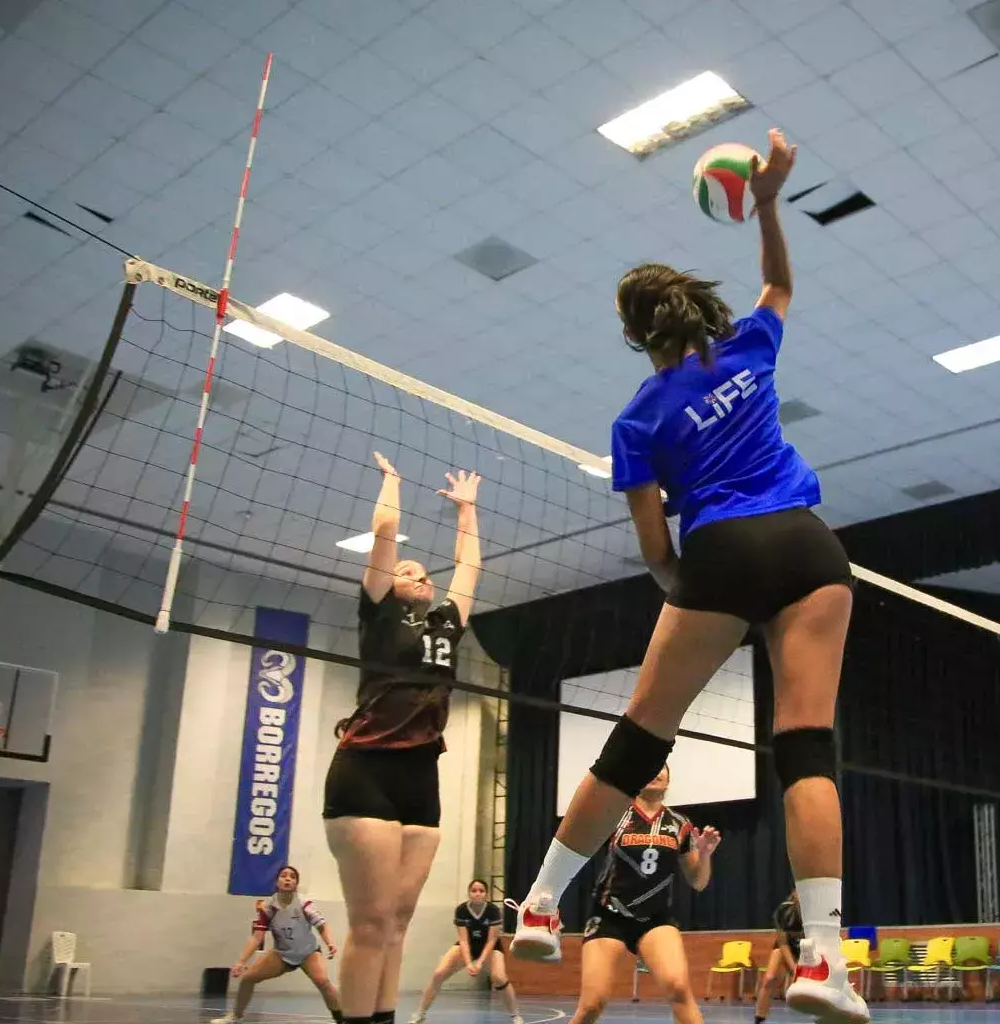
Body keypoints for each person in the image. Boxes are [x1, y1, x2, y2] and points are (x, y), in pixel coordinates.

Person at [510, 127, 869, 1024]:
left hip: (722, 550)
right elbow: (781, 285)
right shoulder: (748, 346)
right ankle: (824, 960)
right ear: (694, 312)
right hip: (810, 545)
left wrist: (686, 590)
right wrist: (774, 201)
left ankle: (544, 905)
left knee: (640, 740)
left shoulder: (638, 418)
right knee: (806, 748)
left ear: (636, 336)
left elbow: (653, 548)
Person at [324, 458, 482, 1024]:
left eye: (422, 570)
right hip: (365, 769)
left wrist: (466, 509)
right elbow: (387, 534)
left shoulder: (446, 623)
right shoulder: (378, 615)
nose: (417, 572)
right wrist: (394, 481)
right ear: (388, 584)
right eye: (405, 570)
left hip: (422, 776)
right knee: (369, 923)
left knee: (398, 922)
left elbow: (470, 566)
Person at [565, 765, 720, 1024]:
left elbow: (698, 882)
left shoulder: (680, 824)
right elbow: (576, 848)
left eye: (663, 769)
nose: (656, 772)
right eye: (651, 766)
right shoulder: (615, 815)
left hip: (655, 920)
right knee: (593, 1004)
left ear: (669, 779)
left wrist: (704, 855)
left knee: (679, 988)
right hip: (609, 916)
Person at [213, 866, 341, 1024]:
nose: (288, 879)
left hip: (308, 952)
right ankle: (234, 1017)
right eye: (284, 876)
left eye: (292, 877)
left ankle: (341, 1018)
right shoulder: (268, 908)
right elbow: (256, 938)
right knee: (247, 978)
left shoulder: (304, 903)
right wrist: (241, 962)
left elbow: (322, 925)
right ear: (276, 882)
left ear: (296, 884)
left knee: (322, 981)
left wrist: (330, 943)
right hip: (282, 954)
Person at [409, 880, 521, 1024]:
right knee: (438, 974)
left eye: (481, 891)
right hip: (467, 945)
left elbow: (491, 940)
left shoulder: (493, 911)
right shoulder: (462, 910)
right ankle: (420, 1014)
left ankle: (515, 1015)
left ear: (486, 894)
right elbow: (463, 940)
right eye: (474, 890)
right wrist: (468, 963)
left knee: (499, 977)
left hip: (490, 947)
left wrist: (479, 962)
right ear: (469, 893)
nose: (477, 894)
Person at [754, 890, 802, 1024]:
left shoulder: (815, 914)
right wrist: (794, 968)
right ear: (794, 897)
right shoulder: (783, 911)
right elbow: (783, 944)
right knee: (769, 978)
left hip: (808, 949)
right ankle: (759, 1018)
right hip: (787, 948)